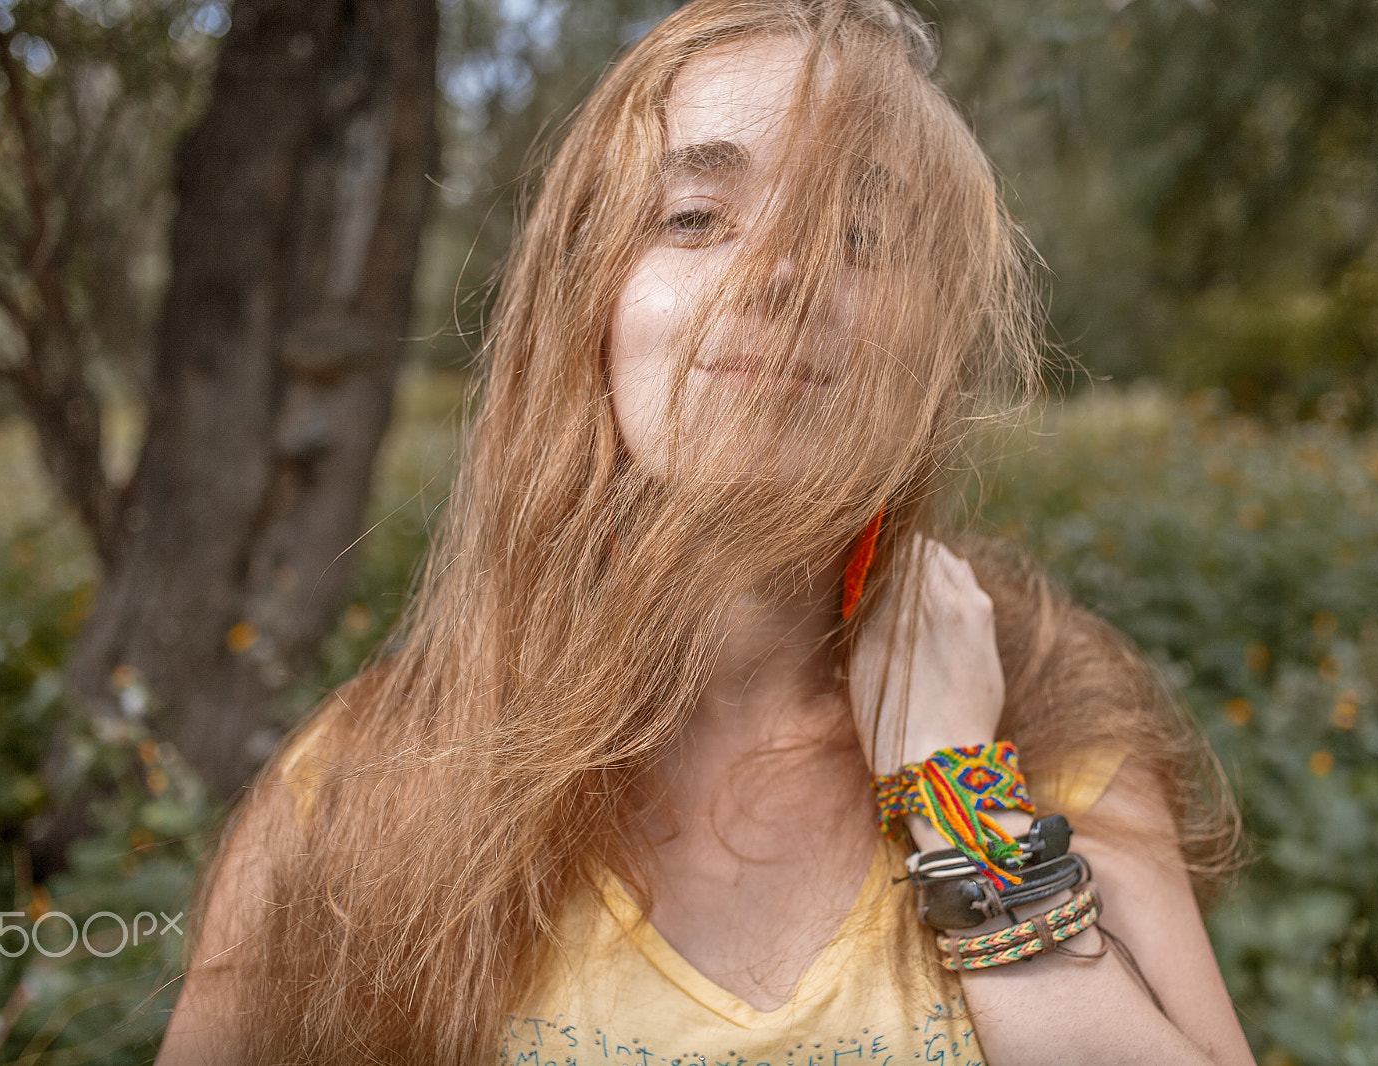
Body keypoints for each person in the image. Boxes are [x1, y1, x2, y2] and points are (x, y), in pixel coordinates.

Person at [156, 1, 1256, 1063]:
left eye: (861, 233)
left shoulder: (1056, 728)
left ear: (937, 348)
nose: (782, 271)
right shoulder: (363, 790)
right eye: (693, 217)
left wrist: (962, 802)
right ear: (582, 301)